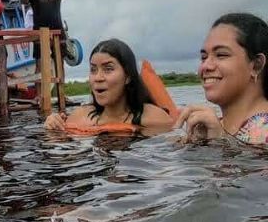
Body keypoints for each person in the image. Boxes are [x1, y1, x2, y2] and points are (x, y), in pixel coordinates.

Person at [177, 12, 268, 146]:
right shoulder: (211, 127)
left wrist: (221, 143)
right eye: (204, 57)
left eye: (221, 55)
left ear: (256, 65)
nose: (206, 66)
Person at [44, 39, 173, 133]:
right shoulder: (80, 118)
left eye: (108, 69)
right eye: (93, 70)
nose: (98, 78)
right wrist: (53, 129)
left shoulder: (155, 119)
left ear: (127, 76)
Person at [22, 0, 67, 73]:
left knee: (59, 63)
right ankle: (39, 89)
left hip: (58, 31)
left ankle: (60, 88)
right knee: (39, 64)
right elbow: (24, 1)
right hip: (39, 32)